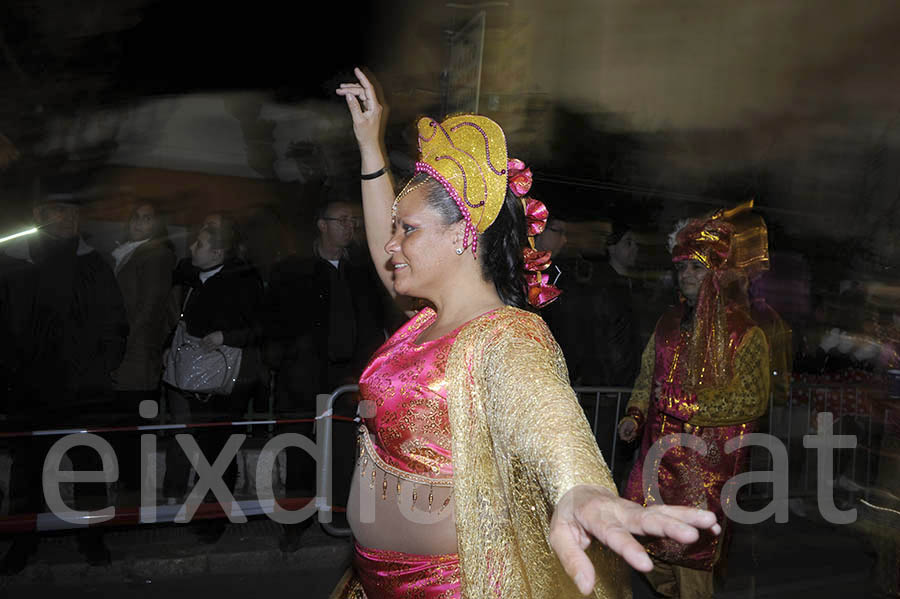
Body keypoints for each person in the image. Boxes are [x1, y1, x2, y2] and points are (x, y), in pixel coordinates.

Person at [330, 68, 720, 599]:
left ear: (465, 232)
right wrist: (370, 148)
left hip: (448, 588)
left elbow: (549, 421)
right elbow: (385, 254)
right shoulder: (422, 321)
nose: (391, 244)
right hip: (369, 581)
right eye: (395, 228)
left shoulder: (506, 336)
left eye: (408, 229)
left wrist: (580, 487)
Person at [617, 203, 771, 599]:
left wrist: (687, 405)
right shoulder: (667, 322)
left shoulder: (744, 333)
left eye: (697, 267)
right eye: (682, 267)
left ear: (716, 273)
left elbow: (751, 398)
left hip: (705, 469)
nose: (686, 275)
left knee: (691, 561)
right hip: (655, 462)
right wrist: (635, 413)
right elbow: (647, 373)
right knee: (642, 547)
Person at [0, 184, 128, 570]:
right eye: (60, 212)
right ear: (41, 215)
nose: (70, 220)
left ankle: (92, 539)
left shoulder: (94, 264)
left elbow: (115, 322)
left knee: (89, 468)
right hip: (30, 391)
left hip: (84, 391)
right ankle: (23, 542)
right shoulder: (15, 262)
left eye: (74, 213)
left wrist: (103, 366)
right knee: (28, 473)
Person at [263, 198, 385, 550]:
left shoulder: (362, 271)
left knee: (345, 450)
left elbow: (374, 323)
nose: (351, 227)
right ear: (322, 224)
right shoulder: (292, 270)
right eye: (343, 220)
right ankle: (295, 522)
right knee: (300, 448)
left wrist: (365, 369)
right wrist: (286, 360)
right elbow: (274, 324)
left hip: (347, 378)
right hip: (301, 378)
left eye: (354, 222)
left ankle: (338, 517)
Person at [161, 219, 264, 544]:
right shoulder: (193, 278)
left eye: (201, 244)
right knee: (204, 445)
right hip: (197, 376)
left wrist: (227, 336)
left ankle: (213, 519)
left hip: (229, 379)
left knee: (218, 447)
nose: (192, 248)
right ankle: (205, 510)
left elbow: (263, 326)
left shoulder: (243, 282)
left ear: (219, 252)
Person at [109, 200, 176, 493]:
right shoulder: (126, 252)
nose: (138, 223)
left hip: (136, 355)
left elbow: (150, 308)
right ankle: (128, 491)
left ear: (157, 224)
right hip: (126, 355)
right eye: (135, 217)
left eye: (147, 218)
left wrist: (126, 344)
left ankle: (133, 497)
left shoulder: (155, 254)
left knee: (132, 432)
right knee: (125, 430)